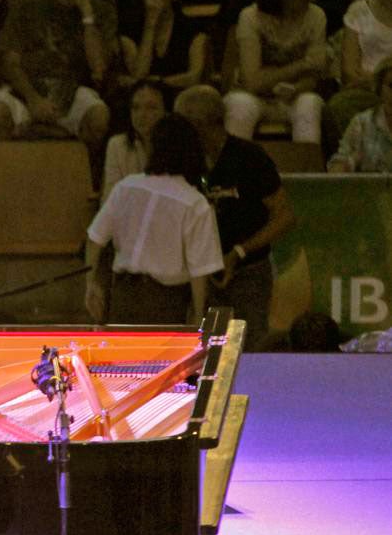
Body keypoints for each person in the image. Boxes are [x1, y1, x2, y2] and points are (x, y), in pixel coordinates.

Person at [174, 84, 296, 348]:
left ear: (201, 125)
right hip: (201, 273)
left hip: (249, 271)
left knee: (251, 348)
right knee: (202, 350)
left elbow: (284, 216)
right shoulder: (184, 162)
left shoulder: (249, 157)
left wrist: (238, 252)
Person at [0, 0, 116, 161]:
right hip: (25, 91)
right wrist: (33, 99)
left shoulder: (102, 10)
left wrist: (87, 16)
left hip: (71, 91)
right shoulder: (27, 5)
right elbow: (9, 62)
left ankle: (81, 183)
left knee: (98, 117)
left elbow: (99, 68)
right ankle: (1, 182)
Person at [85, 114, 225, 324]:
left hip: (123, 294)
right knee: (163, 358)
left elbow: (95, 239)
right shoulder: (194, 203)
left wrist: (91, 283)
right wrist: (197, 314)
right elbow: (199, 270)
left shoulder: (126, 187)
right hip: (166, 301)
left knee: (123, 357)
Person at [223, 0, 327, 145]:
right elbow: (252, 81)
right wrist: (301, 65)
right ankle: (235, 169)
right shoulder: (251, 17)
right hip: (253, 97)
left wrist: (295, 87)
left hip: (296, 93)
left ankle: (306, 170)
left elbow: (314, 74)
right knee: (239, 106)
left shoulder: (316, 16)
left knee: (309, 104)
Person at [330, 0, 392, 136]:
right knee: (339, 106)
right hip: (365, 93)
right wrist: (382, 85)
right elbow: (349, 72)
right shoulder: (358, 10)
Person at [118, 0, 207, 91]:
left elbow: (194, 77)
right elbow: (139, 75)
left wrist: (160, 82)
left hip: (182, 97)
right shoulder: (129, 30)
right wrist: (150, 23)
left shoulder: (194, 29)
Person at [102, 78, 166, 200]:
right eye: (135, 108)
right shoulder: (117, 144)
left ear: (166, 111)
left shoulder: (177, 145)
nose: (142, 114)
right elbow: (110, 198)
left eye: (151, 107)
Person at [329, 58, 392, 172]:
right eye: (391, 86)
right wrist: (347, 164)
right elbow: (339, 163)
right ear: (380, 88)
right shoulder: (362, 123)